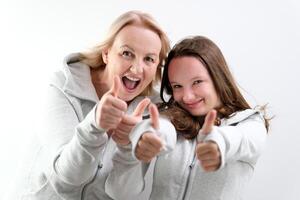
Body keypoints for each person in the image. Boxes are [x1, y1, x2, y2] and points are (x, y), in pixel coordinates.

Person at [7, 10, 171, 200]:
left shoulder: (152, 110)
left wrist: (127, 147)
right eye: (127, 53)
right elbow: (68, 176)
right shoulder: (63, 86)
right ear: (106, 54)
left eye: (149, 59)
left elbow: (124, 193)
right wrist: (95, 124)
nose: (136, 68)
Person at [105, 35, 269, 200]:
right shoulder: (167, 120)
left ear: (218, 78)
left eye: (197, 82)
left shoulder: (250, 123)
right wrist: (132, 145)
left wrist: (217, 143)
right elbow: (118, 192)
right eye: (177, 86)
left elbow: (242, 140)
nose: (187, 97)